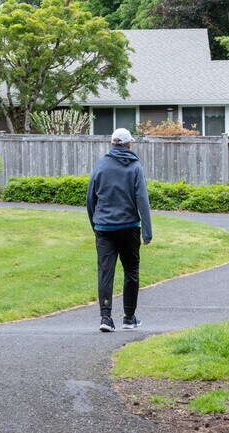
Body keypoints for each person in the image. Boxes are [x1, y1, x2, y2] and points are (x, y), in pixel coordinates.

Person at [86, 128, 152, 332]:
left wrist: (94, 225)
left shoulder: (101, 165)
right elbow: (142, 200)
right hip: (129, 227)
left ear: (113, 144)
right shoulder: (135, 167)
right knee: (131, 270)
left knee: (105, 272)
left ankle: (105, 318)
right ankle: (129, 318)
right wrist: (147, 232)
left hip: (104, 227)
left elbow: (90, 199)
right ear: (128, 144)